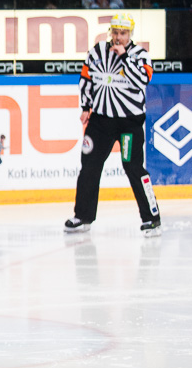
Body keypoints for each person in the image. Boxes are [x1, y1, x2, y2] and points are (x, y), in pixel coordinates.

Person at [65, 12, 161, 237]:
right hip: (101, 122)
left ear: (130, 35)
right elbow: (86, 79)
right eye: (116, 32)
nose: (119, 37)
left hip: (129, 123)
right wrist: (86, 106)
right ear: (110, 32)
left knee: (133, 167)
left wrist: (125, 57)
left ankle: (152, 218)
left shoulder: (140, 55)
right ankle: (83, 216)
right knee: (89, 165)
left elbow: (142, 81)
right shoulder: (97, 52)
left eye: (123, 33)